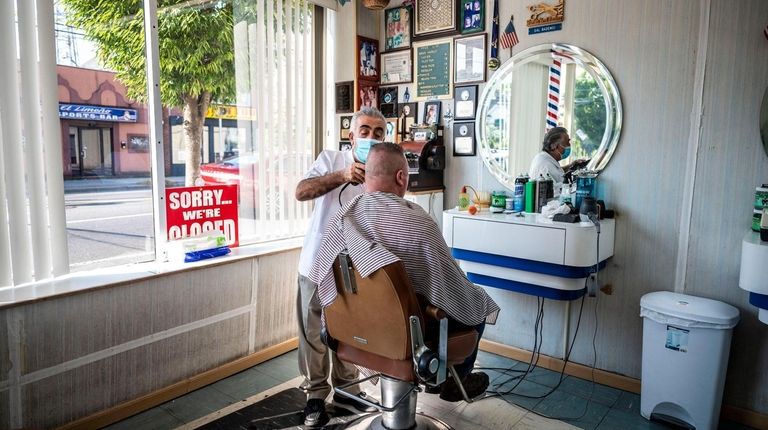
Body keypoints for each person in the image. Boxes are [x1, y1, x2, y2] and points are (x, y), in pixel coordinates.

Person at [309, 142, 500, 403]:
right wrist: (469, 292)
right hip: (407, 336)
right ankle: (455, 381)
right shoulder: (417, 222)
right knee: (476, 303)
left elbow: (324, 280)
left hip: (354, 329)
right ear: (401, 177)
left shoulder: (343, 218)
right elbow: (449, 286)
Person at [294, 107, 386, 427]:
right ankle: (315, 395)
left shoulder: (382, 172)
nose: (370, 138)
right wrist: (343, 176)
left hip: (354, 267)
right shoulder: (331, 159)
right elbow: (302, 191)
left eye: (378, 133)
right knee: (313, 333)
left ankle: (347, 391)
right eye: (365, 131)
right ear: (351, 135)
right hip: (318, 260)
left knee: (349, 330)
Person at [528, 126, 586, 192]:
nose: (569, 146)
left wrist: (571, 165)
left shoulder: (547, 159)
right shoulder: (544, 166)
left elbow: (556, 171)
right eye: (567, 143)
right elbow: (554, 194)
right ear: (553, 146)